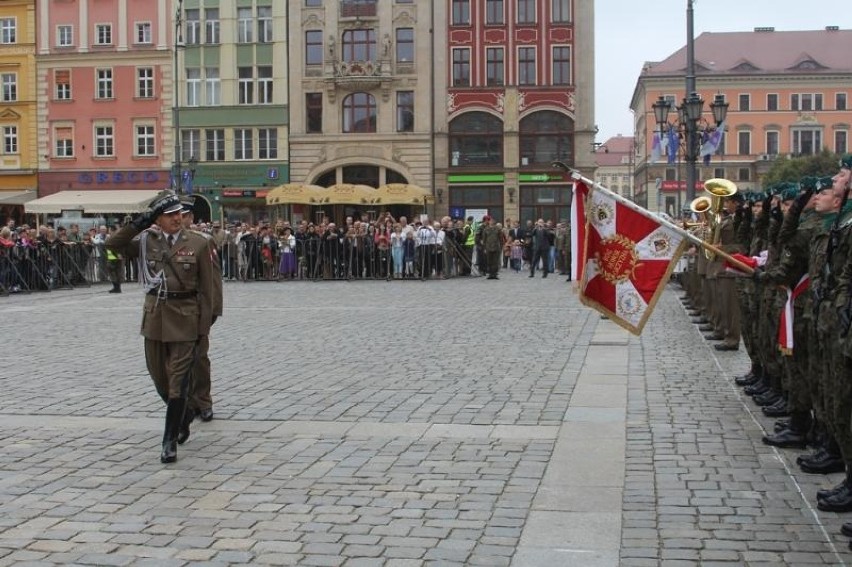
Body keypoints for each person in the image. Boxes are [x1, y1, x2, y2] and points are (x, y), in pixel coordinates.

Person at [106, 191, 217, 464]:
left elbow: (210, 288)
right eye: (169, 215)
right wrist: (140, 223)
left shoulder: (199, 242)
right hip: (155, 317)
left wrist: (205, 326)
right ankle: (185, 413)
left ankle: (169, 442)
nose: (177, 219)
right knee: (160, 380)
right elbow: (112, 244)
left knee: (178, 382)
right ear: (158, 219)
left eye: (179, 214)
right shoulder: (146, 241)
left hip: (186, 317)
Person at [479, 215, 503, 279]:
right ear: (489, 222)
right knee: (489, 261)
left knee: (495, 261)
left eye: (493, 221)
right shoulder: (486, 229)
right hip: (488, 247)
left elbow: (501, 239)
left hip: (496, 247)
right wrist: (484, 248)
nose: (491, 222)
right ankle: (490, 274)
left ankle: (494, 274)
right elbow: (484, 239)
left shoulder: (498, 229)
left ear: (494, 222)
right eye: (490, 221)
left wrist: (501, 247)